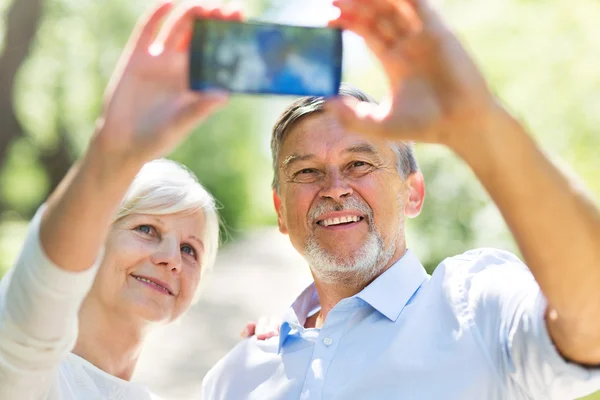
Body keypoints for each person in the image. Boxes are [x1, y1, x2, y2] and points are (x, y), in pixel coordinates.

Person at [201, 0, 600, 399]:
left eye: (359, 163)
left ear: (413, 193)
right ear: (280, 211)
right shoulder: (234, 378)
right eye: (306, 172)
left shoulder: (477, 310)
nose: (335, 187)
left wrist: (480, 124)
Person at [0, 3, 272, 399]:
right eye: (147, 229)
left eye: (190, 250)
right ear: (93, 240)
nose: (171, 259)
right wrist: (114, 148)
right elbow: (38, 292)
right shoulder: (27, 370)